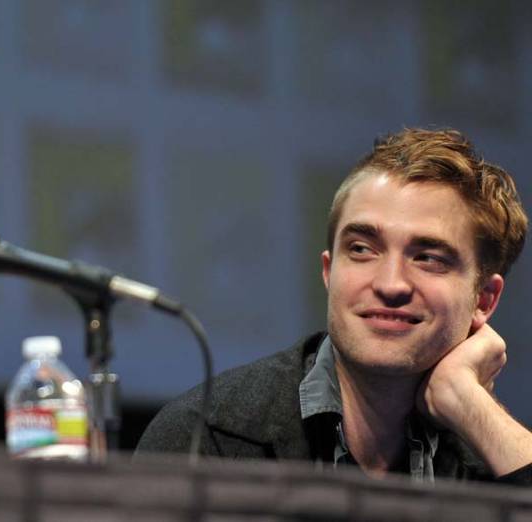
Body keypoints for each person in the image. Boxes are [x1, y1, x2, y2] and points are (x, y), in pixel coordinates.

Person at [137, 128, 532, 483]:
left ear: (484, 300)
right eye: (361, 249)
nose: (390, 284)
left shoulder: (495, 457)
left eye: (428, 257)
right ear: (329, 272)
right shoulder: (206, 441)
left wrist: (465, 399)